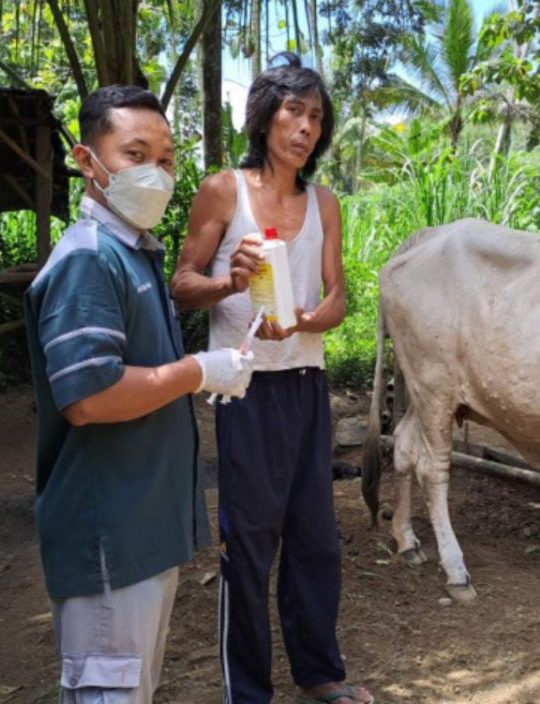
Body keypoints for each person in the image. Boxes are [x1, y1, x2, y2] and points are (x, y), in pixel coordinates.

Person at [24, 85, 254, 704]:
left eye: (168, 158)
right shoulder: (89, 261)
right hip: (109, 542)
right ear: (85, 160)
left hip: (141, 535)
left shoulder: (134, 256)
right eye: (134, 153)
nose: (156, 172)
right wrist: (198, 371)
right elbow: (91, 397)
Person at [171, 53, 374, 704]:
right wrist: (228, 280)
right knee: (249, 544)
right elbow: (180, 285)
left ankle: (321, 676)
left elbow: (340, 299)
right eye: (294, 111)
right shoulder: (222, 191)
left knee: (315, 538)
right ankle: (248, 692)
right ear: (265, 117)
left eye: (316, 117)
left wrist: (308, 320)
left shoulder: (325, 203)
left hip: (306, 386)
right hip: (245, 389)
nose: (306, 127)